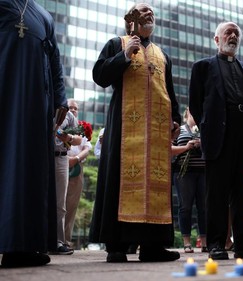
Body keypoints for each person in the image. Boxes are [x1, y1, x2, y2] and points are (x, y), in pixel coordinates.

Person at [89, 3, 181, 263]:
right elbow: (99, 75)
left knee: (156, 186)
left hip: (156, 135)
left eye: (152, 10)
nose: (149, 12)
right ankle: (116, 245)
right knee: (120, 181)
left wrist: (175, 120)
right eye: (143, 9)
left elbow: (169, 92)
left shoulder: (163, 55)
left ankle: (153, 246)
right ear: (131, 17)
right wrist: (125, 56)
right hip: (124, 129)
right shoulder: (116, 43)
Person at [189, 21, 243, 260]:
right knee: (216, 193)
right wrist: (207, 127)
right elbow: (195, 104)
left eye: (236, 33)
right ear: (217, 39)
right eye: (227, 32)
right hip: (218, 135)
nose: (232, 36)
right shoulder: (202, 67)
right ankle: (216, 244)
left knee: (241, 193)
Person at [0, 0, 67, 267]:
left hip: (36, 102)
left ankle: (24, 245)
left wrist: (61, 97)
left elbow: (55, 59)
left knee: (30, 169)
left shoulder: (43, 15)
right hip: (6, 87)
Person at [171, 108, 207, 253]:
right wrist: (186, 147)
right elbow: (169, 147)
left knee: (203, 207)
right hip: (184, 173)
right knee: (185, 207)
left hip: (203, 172)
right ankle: (186, 242)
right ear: (187, 115)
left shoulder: (204, 129)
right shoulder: (178, 129)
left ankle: (204, 241)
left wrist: (202, 144)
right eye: (193, 113)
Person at [51, 111, 82, 255]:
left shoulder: (68, 115)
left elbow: (78, 139)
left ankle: (59, 241)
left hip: (61, 157)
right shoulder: (43, 106)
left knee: (60, 203)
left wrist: (68, 137)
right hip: (43, 155)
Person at [65, 99, 92, 247]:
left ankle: (66, 240)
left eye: (75, 108)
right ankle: (53, 240)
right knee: (58, 204)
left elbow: (87, 148)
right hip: (60, 166)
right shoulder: (60, 124)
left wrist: (75, 159)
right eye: (70, 108)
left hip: (77, 169)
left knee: (71, 206)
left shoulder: (82, 127)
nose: (73, 110)